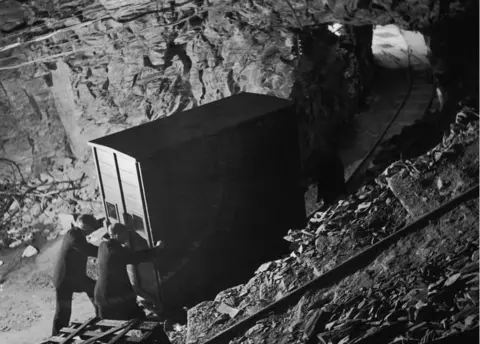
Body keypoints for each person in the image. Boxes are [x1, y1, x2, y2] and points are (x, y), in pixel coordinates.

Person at [94, 223, 165, 320]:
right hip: (113, 296)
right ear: (117, 235)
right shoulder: (115, 250)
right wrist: (157, 249)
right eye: (125, 234)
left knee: (108, 327)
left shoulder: (103, 245)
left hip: (100, 294)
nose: (127, 238)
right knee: (137, 320)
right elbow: (135, 257)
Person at [51, 214, 103, 336]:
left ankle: (102, 318)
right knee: (63, 312)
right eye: (90, 230)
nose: (91, 232)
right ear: (85, 227)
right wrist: (105, 247)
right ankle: (56, 338)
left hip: (76, 275)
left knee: (94, 292)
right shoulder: (74, 237)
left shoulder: (75, 232)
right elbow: (89, 251)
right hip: (64, 279)